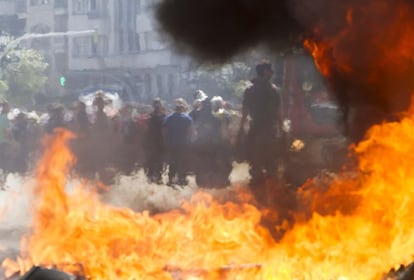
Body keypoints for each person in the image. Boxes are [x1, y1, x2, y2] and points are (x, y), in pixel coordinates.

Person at [238, 61, 283, 187]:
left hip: (256, 129)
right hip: (269, 130)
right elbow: (279, 112)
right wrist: (282, 128)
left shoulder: (249, 90)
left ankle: (258, 187)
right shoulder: (274, 90)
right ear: (265, 72)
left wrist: (241, 130)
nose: (273, 73)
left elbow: (245, 112)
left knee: (255, 162)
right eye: (270, 70)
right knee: (271, 163)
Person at [163, 98, 193, 187]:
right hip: (183, 144)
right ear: (182, 109)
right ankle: (182, 179)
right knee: (183, 162)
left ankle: (171, 179)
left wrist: (166, 140)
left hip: (172, 143)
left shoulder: (168, 118)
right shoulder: (187, 118)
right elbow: (191, 131)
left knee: (172, 162)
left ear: (175, 109)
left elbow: (164, 130)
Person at [144, 98, 166, 184]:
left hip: (158, 141)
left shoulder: (162, 116)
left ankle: (157, 177)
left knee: (158, 160)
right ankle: (152, 176)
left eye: (158, 104)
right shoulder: (151, 116)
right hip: (153, 141)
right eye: (156, 104)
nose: (157, 106)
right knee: (152, 160)